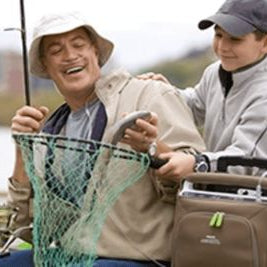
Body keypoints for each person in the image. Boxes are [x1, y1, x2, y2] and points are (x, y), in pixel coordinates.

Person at [1, 12, 205, 266]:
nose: (69, 55)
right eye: (56, 50)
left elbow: (196, 180)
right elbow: (25, 227)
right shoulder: (51, 130)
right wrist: (24, 149)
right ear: (45, 66)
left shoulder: (151, 94)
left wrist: (152, 149)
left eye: (78, 44)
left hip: (136, 258)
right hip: (69, 254)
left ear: (96, 52)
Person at [137, 0, 267, 180]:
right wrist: (166, 92)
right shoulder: (215, 71)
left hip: (252, 199)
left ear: (265, 43)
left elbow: (245, 161)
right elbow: (194, 106)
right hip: (214, 189)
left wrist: (197, 163)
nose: (222, 47)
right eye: (219, 35)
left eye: (235, 39)